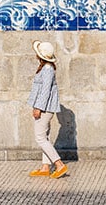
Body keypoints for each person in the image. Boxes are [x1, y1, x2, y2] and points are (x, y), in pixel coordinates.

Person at [27, 40, 68, 178]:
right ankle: (45, 167)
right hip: (44, 107)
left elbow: (45, 91)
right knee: (45, 136)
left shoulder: (48, 69)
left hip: (44, 108)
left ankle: (59, 165)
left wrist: (38, 107)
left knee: (40, 138)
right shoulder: (45, 68)